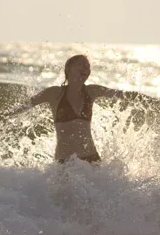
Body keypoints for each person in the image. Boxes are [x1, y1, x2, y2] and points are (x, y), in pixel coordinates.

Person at [8, 54, 142, 163]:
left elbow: (122, 94)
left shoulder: (92, 91)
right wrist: (1, 118)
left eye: (88, 67)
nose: (86, 69)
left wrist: (145, 99)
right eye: (81, 64)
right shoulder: (54, 93)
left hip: (91, 160)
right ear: (69, 69)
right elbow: (24, 106)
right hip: (64, 162)